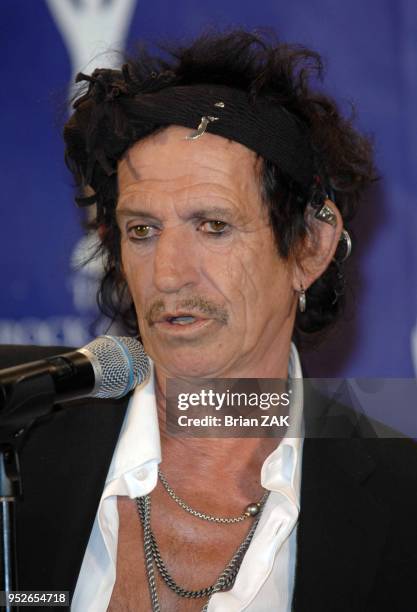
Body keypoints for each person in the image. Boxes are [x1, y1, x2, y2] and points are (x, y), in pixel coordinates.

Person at [2, 30, 417, 611]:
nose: (169, 275)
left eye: (213, 226)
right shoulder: (20, 444)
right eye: (142, 231)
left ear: (310, 248)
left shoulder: (405, 504)